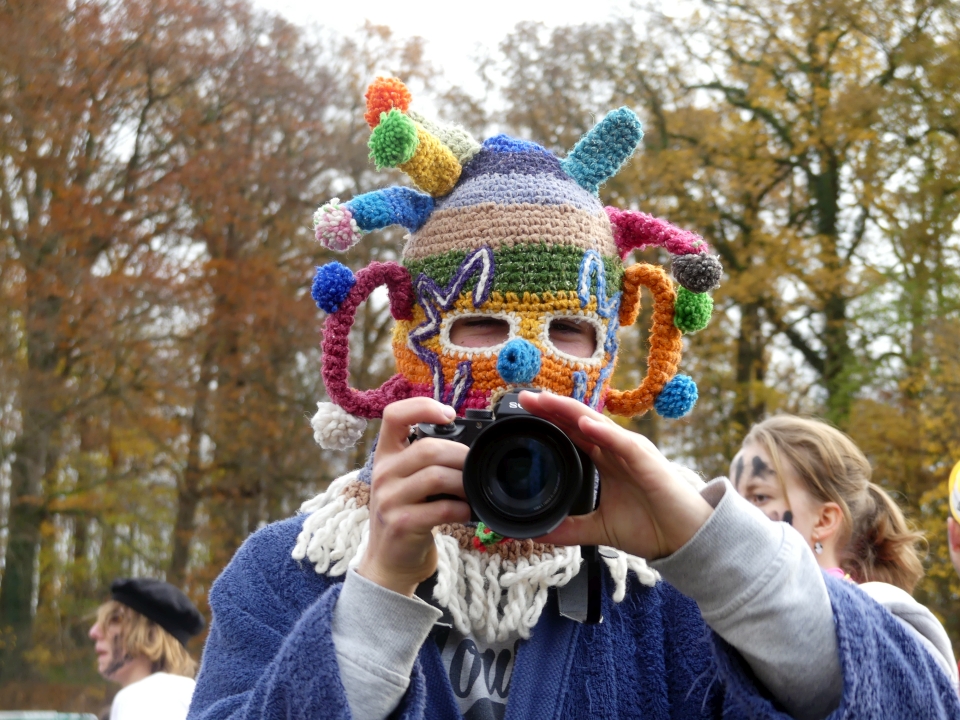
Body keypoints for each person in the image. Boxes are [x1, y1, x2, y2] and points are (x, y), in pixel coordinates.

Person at [187, 77, 960, 720]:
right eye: (480, 326)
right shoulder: (288, 572)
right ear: (412, 342)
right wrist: (375, 598)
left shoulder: (669, 595)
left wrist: (713, 553)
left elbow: (918, 703)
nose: (523, 367)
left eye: (569, 332)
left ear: (610, 354)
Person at [731, 415, 958, 688]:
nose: (733, 513)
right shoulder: (719, 614)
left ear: (824, 520)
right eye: (732, 497)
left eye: (759, 497)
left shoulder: (877, 631)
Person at [89, 577, 205, 720]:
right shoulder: (185, 698)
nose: (94, 632)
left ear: (152, 636)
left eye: (115, 619)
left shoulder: (149, 698)